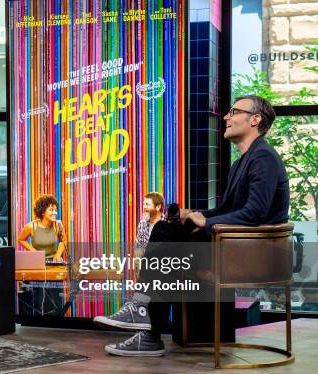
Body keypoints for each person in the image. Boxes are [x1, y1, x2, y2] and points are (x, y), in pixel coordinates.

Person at [94, 95, 289, 356]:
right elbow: (228, 211)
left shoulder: (263, 158)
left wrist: (207, 222)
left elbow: (255, 212)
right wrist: (195, 215)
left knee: (168, 242)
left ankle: (145, 321)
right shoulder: (243, 161)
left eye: (233, 112)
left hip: (252, 253)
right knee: (168, 230)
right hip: (235, 242)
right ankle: (145, 321)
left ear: (255, 120)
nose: (226, 117)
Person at [17, 194, 68, 261]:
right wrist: (32, 250)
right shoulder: (31, 226)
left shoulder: (58, 225)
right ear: (42, 212)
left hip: (54, 262)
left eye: (55, 210)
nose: (55, 213)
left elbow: (64, 240)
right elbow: (21, 240)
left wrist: (58, 254)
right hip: (37, 261)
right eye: (51, 210)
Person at [133, 192, 165, 258]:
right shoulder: (142, 223)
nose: (144, 207)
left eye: (147, 204)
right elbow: (139, 245)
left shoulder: (168, 224)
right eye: (143, 204)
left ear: (158, 207)